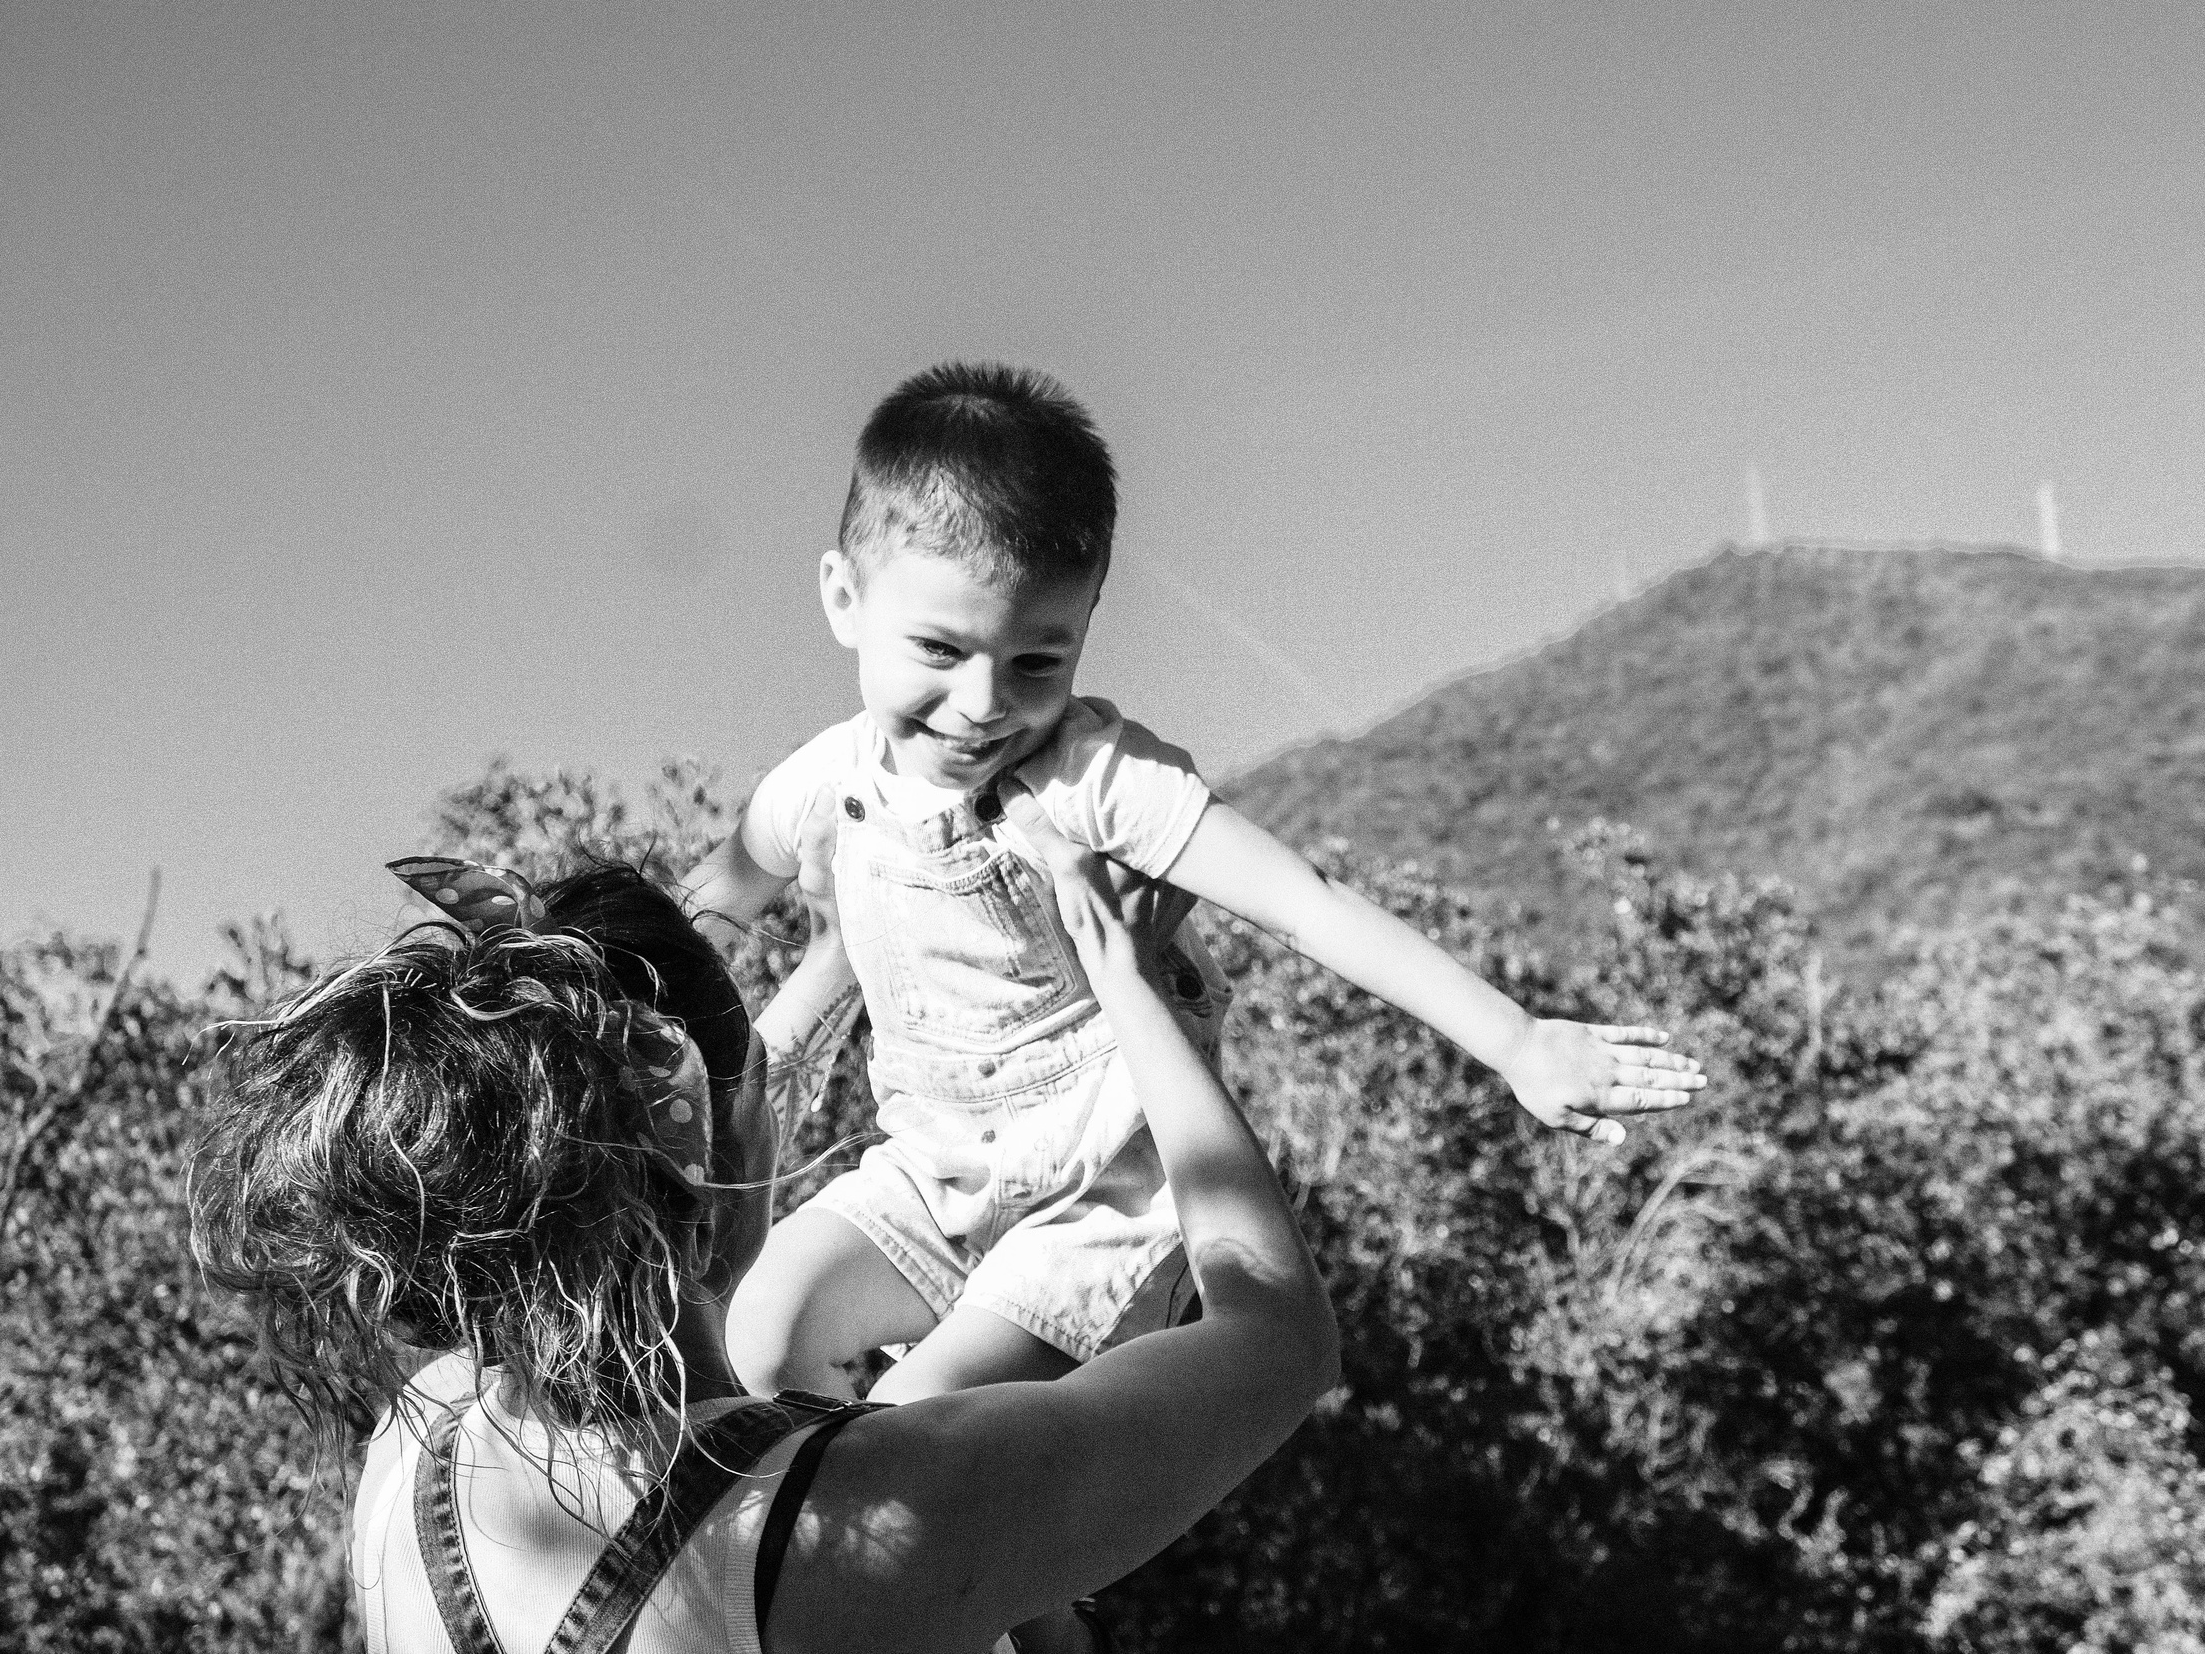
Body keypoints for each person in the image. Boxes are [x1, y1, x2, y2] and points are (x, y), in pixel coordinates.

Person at [685, 362, 1707, 1420]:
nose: (983, 702)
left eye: (1036, 661)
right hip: (928, 1173)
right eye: (940, 650)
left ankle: (936, 1490)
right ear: (844, 599)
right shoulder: (825, 782)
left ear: (1086, 625)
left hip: (1098, 1204)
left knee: (918, 1419)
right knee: (755, 1335)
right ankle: (888, 1504)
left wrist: (1517, 1041)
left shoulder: (1096, 777)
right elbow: (706, 905)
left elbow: (1305, 903)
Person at [190, 800, 1339, 1654]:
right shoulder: (876, 1510)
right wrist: (1138, 994)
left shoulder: (411, 1456)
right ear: (715, 1142)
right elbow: (1277, 1339)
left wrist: (837, 959)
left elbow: (695, 1125)